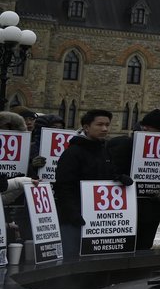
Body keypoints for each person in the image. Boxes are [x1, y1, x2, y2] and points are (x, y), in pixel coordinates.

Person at [52, 109, 127, 260]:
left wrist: (119, 178)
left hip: (97, 219)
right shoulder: (72, 153)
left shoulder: (105, 151)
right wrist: (73, 213)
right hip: (74, 219)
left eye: (107, 125)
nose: (104, 129)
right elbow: (63, 186)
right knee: (72, 259)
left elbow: (107, 174)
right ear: (86, 127)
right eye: (99, 124)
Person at [106, 109, 160, 250]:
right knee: (123, 246)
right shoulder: (122, 144)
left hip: (152, 206)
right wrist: (119, 177)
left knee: (144, 246)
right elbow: (109, 169)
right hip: (127, 205)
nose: (146, 129)